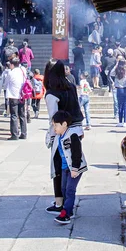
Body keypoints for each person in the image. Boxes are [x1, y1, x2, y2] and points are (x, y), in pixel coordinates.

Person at [44, 60, 84, 214]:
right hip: (75, 130)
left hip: (61, 133)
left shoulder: (52, 93)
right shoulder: (71, 86)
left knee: (59, 166)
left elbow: (53, 118)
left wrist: (51, 135)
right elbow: (77, 109)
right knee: (71, 163)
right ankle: (65, 203)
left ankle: (61, 203)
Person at [50, 110, 88, 225]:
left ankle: (66, 213)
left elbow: (77, 153)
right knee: (64, 189)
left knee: (70, 190)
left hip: (75, 168)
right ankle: (69, 210)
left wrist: (75, 168)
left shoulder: (72, 135)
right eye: (53, 125)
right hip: (64, 168)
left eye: (56, 125)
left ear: (64, 124)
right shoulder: (58, 137)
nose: (54, 128)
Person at [3, 58, 27, 140]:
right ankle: (24, 133)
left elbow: (5, 84)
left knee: (14, 115)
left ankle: (14, 134)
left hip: (13, 95)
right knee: (22, 115)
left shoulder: (11, 73)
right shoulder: (22, 70)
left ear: (12, 64)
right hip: (22, 95)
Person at [110, 59, 126, 127]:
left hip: (119, 89)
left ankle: (120, 122)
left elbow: (111, 73)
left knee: (120, 106)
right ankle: (125, 122)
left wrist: (116, 65)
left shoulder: (116, 71)